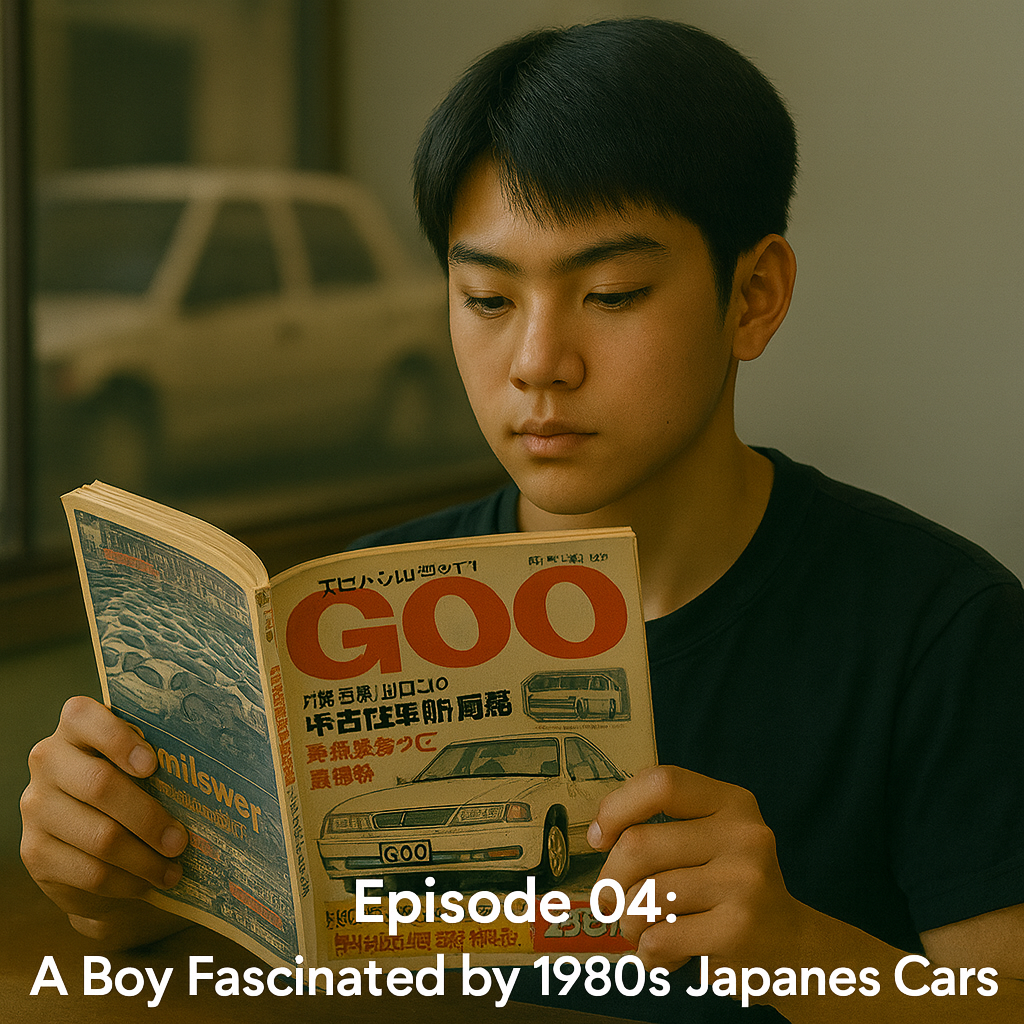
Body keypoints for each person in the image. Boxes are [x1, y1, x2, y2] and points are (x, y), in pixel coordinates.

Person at [21, 18, 1024, 1023]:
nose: (538, 362)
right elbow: (214, 958)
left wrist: (800, 951)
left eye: (611, 294)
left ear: (753, 296)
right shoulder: (351, 617)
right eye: (488, 299)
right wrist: (114, 886)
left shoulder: (941, 630)